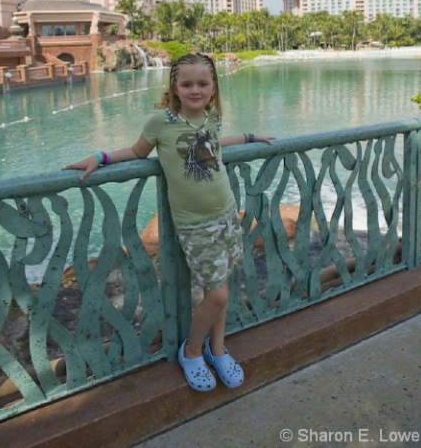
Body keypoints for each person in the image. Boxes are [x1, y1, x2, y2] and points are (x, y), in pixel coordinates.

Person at [64, 53, 274, 392]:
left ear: (213, 87)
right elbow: (135, 153)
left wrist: (251, 137)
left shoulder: (211, 118)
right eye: (187, 83)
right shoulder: (159, 122)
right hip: (196, 224)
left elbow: (214, 149)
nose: (195, 90)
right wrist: (99, 158)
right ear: (174, 87)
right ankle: (191, 352)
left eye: (202, 84)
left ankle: (217, 349)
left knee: (219, 287)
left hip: (226, 213)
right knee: (218, 296)